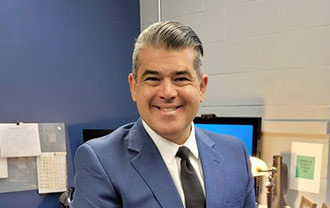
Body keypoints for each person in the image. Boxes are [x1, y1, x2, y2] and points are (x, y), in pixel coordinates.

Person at [71, 21, 256, 208]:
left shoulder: (235, 153)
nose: (167, 92)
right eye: (153, 79)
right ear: (134, 87)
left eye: (181, 79)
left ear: (201, 87)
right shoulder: (99, 161)